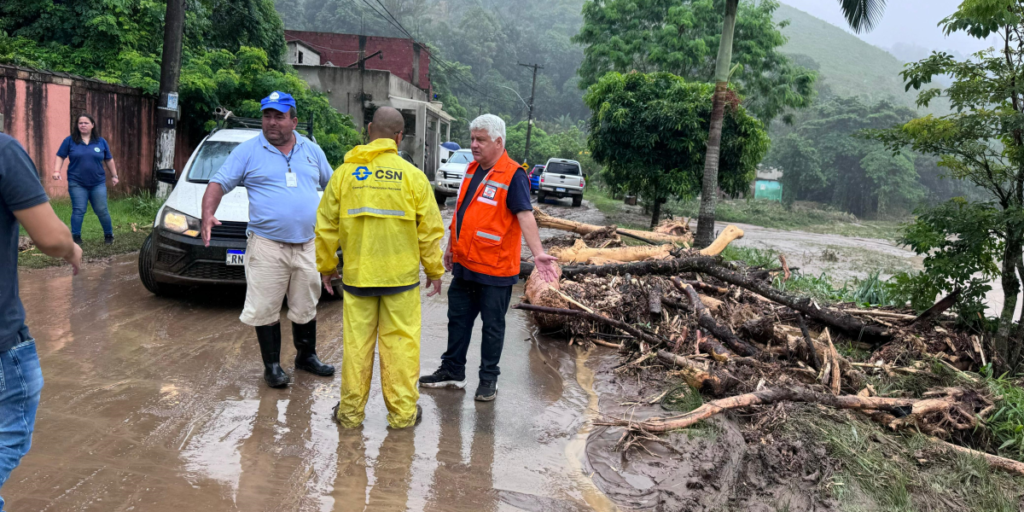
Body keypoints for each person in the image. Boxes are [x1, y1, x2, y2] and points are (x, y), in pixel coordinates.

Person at [316, 107, 445, 428]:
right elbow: (430, 230)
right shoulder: (413, 177)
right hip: (400, 283)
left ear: (369, 129)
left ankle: (350, 415)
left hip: (358, 279)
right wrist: (434, 270)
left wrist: (327, 267)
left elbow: (326, 226)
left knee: (356, 348)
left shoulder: (345, 174)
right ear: (399, 137)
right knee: (401, 348)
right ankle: (402, 416)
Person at [201, 91, 335, 388]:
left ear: (294, 122)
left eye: (279, 117)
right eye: (267, 116)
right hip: (267, 245)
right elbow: (218, 183)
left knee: (305, 304)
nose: (272, 122)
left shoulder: (312, 151)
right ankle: (272, 366)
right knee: (265, 307)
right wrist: (207, 213)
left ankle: (306, 356)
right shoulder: (247, 151)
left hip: (307, 244)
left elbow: (334, 186)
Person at [419, 114, 559, 401]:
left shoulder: (513, 175)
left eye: (480, 140)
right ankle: (453, 371)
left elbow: (525, 215)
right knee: (458, 321)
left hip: (496, 270)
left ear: (498, 141)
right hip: (465, 265)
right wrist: (450, 246)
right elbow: (462, 211)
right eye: (472, 139)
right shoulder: (471, 169)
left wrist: (538, 254)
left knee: (493, 327)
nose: (474, 145)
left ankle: (488, 379)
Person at [1, 133, 82, 511]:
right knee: (10, 435)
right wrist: (72, 247)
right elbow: (50, 238)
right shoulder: (4, 151)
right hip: (2, 341)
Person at [52, 113, 120, 245]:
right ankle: (76, 237)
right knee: (78, 210)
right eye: (80, 123)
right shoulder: (70, 141)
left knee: (102, 210)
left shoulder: (101, 141)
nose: (83, 125)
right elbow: (60, 156)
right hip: (77, 182)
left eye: (86, 123)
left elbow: (109, 159)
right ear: (77, 126)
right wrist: (56, 171)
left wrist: (114, 175)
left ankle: (109, 235)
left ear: (92, 125)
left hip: (97, 183)